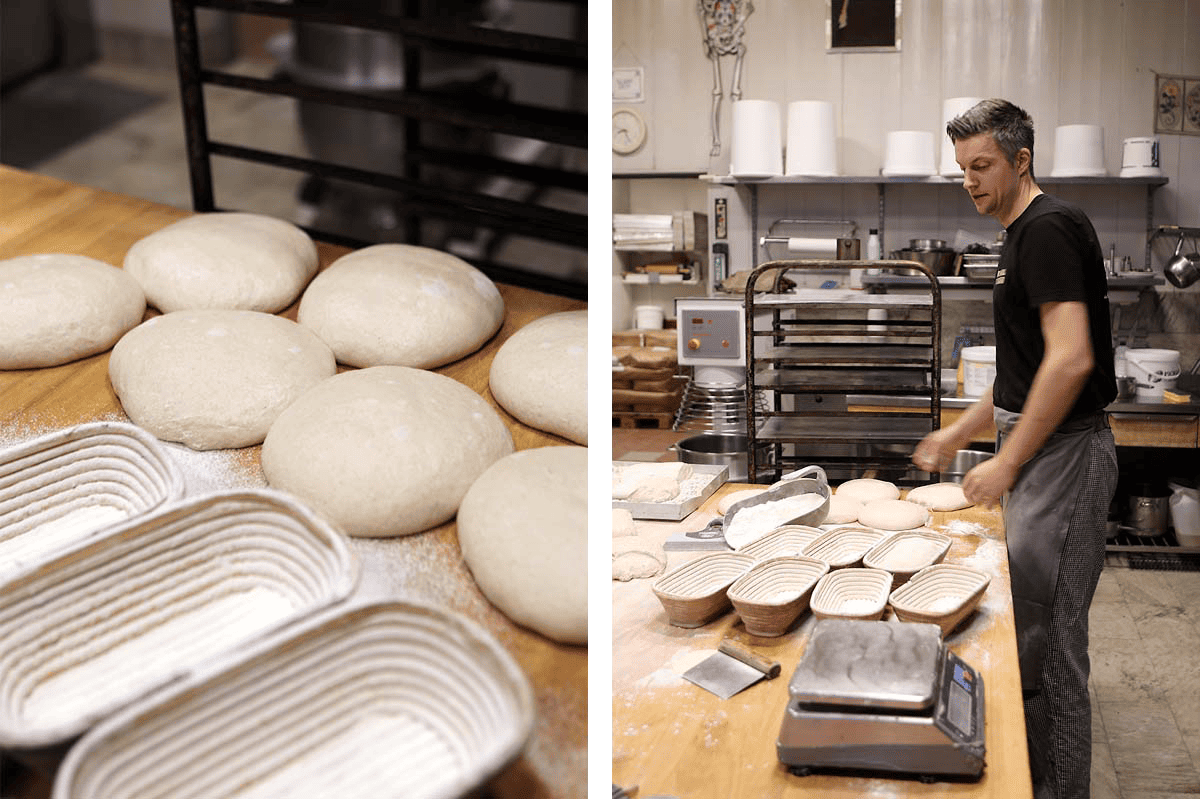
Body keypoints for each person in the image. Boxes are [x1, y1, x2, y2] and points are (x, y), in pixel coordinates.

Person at [911, 99, 1118, 799]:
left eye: (982, 166)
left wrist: (1005, 461)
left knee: (1053, 653)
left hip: (1065, 457)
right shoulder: (1017, 236)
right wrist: (961, 432)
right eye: (962, 169)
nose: (969, 181)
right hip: (1039, 453)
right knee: (1024, 635)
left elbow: (1070, 361)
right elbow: (1020, 377)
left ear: (1020, 160)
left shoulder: (1049, 229)